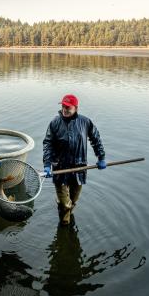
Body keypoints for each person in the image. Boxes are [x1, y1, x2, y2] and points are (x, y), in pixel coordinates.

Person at [43, 94, 106, 226]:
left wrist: (101, 157)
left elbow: (96, 139)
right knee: (66, 205)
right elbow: (48, 143)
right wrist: (47, 164)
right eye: (63, 106)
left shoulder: (85, 122)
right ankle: (65, 226)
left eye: (68, 107)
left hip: (79, 168)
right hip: (60, 169)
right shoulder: (55, 123)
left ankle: (63, 209)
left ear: (76, 108)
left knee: (73, 201)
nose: (65, 109)